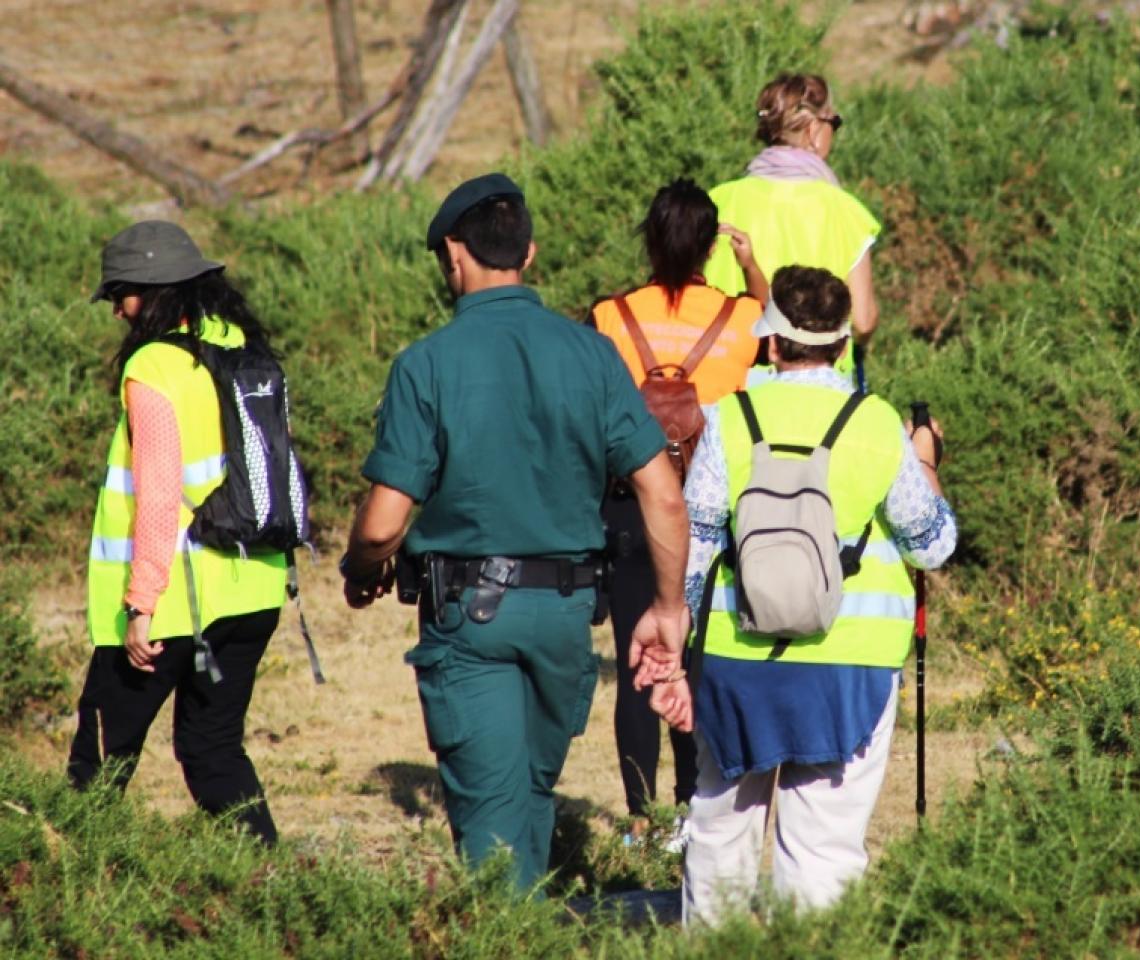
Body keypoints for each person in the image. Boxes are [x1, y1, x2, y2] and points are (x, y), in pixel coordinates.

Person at [339, 173, 691, 893]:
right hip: (565, 619)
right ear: (528, 254)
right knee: (528, 806)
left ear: (453, 256)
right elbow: (663, 494)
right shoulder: (593, 354)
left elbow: (381, 525)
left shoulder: (425, 364)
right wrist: (668, 607)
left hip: (471, 622)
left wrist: (360, 564)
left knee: (496, 846)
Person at [640, 265, 956, 925]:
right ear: (843, 345)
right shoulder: (874, 425)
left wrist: (676, 647)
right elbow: (932, 545)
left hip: (737, 661)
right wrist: (923, 458)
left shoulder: (729, 420)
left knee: (722, 828)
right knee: (823, 846)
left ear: (772, 343)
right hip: (851, 665)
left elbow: (695, 548)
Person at [69, 221, 288, 844]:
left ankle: (70, 894)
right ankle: (273, 882)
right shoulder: (245, 348)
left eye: (123, 293)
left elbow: (160, 496)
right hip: (253, 591)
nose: (117, 310)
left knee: (98, 764)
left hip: (169, 607)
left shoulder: (156, 365)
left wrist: (140, 604)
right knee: (214, 753)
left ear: (156, 291)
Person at [590, 179, 764, 826]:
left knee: (639, 665)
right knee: (697, 664)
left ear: (648, 237)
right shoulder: (742, 318)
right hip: (710, 517)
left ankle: (639, 821)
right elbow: (782, 346)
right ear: (708, 243)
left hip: (628, 510)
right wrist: (751, 270)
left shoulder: (610, 316)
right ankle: (694, 810)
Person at [701, 73, 882, 379]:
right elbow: (863, 320)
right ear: (814, 130)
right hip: (819, 382)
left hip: (730, 376)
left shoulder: (717, 202)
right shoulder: (845, 212)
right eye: (833, 123)